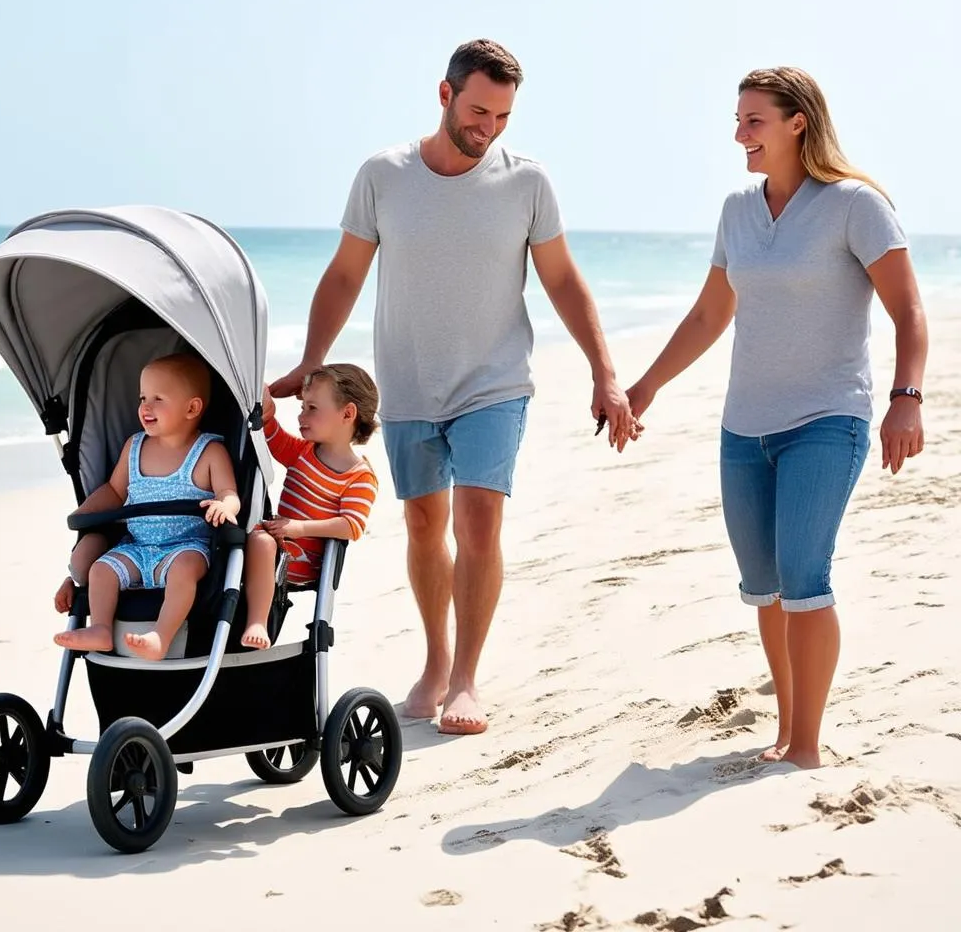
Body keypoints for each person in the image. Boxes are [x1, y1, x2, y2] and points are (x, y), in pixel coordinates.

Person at [270, 38, 638, 735]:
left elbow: (561, 278)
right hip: (407, 383)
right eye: (478, 112)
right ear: (445, 95)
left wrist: (605, 372)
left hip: (493, 382)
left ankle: (467, 678)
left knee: (477, 520)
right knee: (421, 523)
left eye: (502, 116)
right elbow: (345, 274)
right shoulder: (384, 175)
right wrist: (310, 364)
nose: (489, 129)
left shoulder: (527, 182)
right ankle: (436, 661)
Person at [625, 66, 928, 769]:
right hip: (744, 429)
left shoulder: (856, 206)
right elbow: (710, 314)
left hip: (828, 419)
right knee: (764, 586)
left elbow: (908, 310)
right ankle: (786, 733)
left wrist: (905, 398)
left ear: (798, 121)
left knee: (803, 575)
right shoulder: (738, 209)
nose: (740, 135)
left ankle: (808, 749)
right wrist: (646, 387)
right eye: (738, 121)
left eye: (753, 121)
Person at [53, 353, 241, 661]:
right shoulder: (134, 446)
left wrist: (225, 505)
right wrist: (83, 514)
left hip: (185, 547)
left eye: (158, 399)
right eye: (143, 397)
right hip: (138, 546)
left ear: (192, 408)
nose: (145, 407)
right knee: (101, 569)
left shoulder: (209, 451)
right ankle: (100, 629)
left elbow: (229, 491)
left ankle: (161, 637)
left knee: (184, 572)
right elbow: (114, 491)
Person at [241, 364, 380, 650]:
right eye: (302, 406)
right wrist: (265, 402)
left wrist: (300, 527)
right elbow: (273, 437)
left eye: (312, 408)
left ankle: (257, 621)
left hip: (297, 561)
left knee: (259, 540)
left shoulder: (359, 477)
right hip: (276, 544)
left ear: (347, 414)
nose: (301, 415)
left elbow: (351, 526)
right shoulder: (304, 452)